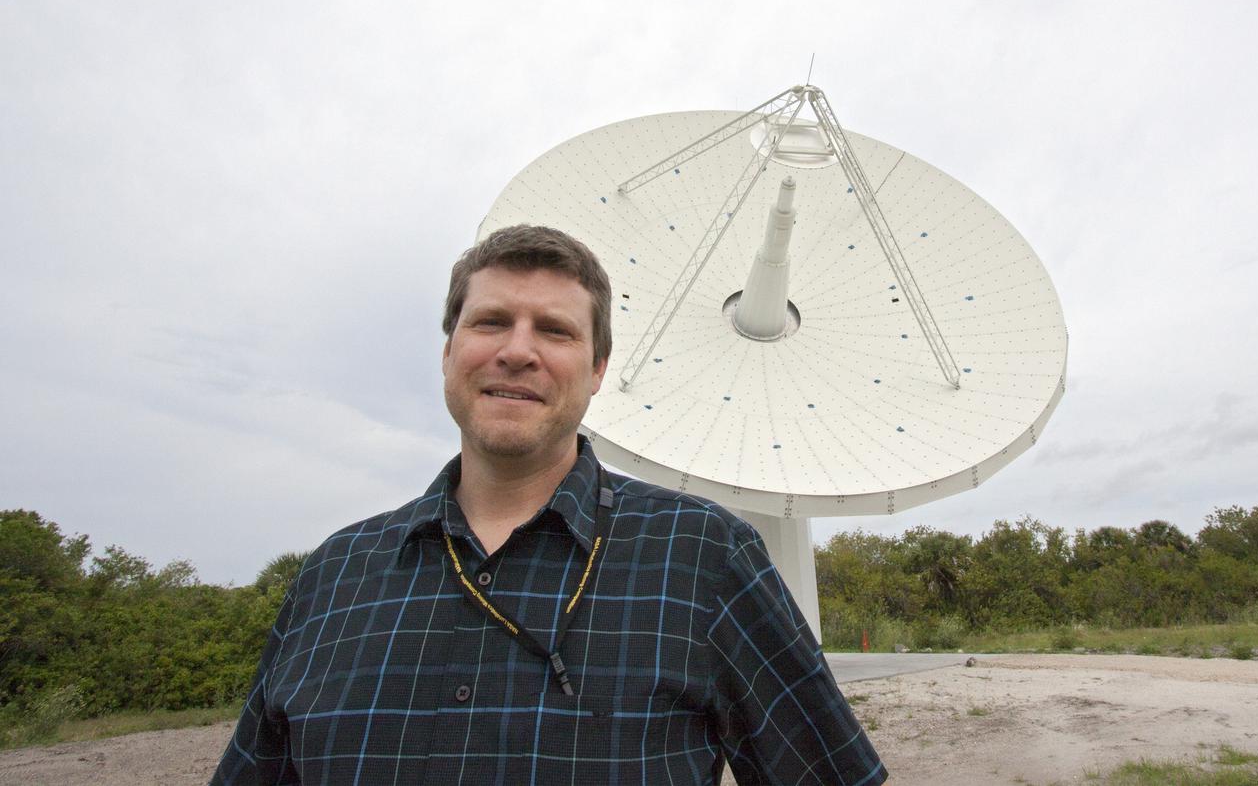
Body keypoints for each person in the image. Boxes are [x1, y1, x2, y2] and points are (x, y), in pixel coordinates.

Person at [213, 224, 885, 785]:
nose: (517, 350)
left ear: (598, 369)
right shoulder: (334, 576)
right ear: (449, 351)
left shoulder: (704, 557)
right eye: (491, 321)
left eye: (555, 331)